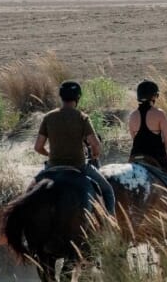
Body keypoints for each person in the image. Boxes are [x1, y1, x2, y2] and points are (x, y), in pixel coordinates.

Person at [34, 80, 116, 215]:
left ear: (61, 97)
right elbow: (95, 144)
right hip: (78, 166)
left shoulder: (48, 117)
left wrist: (49, 155)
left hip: (53, 165)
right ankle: (110, 223)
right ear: (78, 97)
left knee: (28, 192)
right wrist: (94, 154)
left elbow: (38, 147)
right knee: (107, 190)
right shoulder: (82, 117)